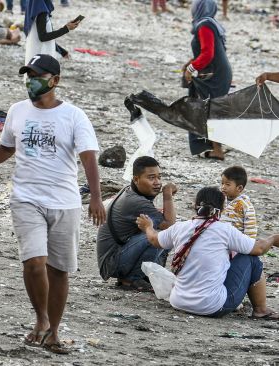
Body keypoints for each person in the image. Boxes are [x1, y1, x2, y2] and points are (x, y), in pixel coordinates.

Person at [0, 54, 106, 354]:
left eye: (37, 75)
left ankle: (54, 331)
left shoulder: (74, 116)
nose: (31, 81)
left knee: (59, 270)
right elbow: (6, 147)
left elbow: (89, 157)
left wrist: (95, 197)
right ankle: (40, 319)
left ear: (55, 80)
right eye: (28, 75)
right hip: (26, 198)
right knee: (34, 262)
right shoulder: (17, 111)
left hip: (65, 202)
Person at [137, 186, 279, 319]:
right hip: (211, 306)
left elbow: (154, 239)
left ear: (195, 206)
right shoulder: (224, 230)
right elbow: (259, 249)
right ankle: (260, 310)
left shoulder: (180, 227)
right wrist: (273, 238)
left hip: (179, 301)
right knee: (251, 258)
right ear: (222, 209)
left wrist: (148, 227)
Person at [96, 156, 177, 291]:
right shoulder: (134, 201)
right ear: (136, 179)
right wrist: (167, 194)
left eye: (159, 177)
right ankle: (132, 279)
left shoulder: (131, 190)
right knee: (159, 235)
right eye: (151, 178)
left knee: (161, 234)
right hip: (112, 263)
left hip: (118, 256)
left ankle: (143, 275)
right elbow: (169, 225)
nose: (157, 182)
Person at [184, 0, 231, 160]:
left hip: (215, 74)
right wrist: (191, 63)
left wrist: (191, 68)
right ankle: (214, 146)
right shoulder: (211, 24)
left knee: (209, 109)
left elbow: (208, 54)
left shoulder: (204, 25)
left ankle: (217, 149)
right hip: (217, 72)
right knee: (210, 108)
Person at [221, 166, 257, 239]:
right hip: (221, 238)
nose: (223, 187)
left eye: (227, 184)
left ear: (239, 188)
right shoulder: (220, 200)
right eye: (222, 183)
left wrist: (248, 244)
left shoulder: (245, 205)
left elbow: (250, 228)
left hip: (237, 241)